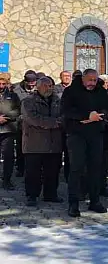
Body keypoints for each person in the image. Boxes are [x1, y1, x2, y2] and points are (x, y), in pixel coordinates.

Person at [62, 69, 108, 217]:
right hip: (76, 134)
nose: (92, 83)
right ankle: (73, 203)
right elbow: (66, 111)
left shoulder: (101, 92)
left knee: (95, 168)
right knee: (76, 169)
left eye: (95, 80)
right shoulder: (71, 91)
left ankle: (95, 200)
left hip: (95, 134)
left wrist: (100, 116)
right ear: (83, 79)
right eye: (90, 80)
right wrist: (86, 116)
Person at [22, 77, 63, 206]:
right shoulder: (28, 101)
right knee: (33, 172)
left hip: (54, 142)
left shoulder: (58, 101)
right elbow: (32, 119)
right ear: (38, 87)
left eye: (50, 85)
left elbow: (64, 116)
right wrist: (53, 123)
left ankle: (50, 194)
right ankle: (32, 195)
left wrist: (55, 123)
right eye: (45, 86)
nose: (48, 88)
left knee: (52, 171)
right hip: (34, 143)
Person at [14, 70, 37, 178]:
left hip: (35, 124)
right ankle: (20, 168)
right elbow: (13, 106)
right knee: (20, 147)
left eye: (34, 82)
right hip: (21, 123)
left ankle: (31, 170)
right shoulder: (16, 90)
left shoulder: (39, 88)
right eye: (29, 82)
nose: (32, 85)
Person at [0, 73, 20, 190]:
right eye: (0, 83)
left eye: (3, 84)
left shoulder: (13, 96)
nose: (1, 86)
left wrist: (5, 117)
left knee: (8, 157)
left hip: (8, 129)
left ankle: (7, 180)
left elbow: (17, 110)